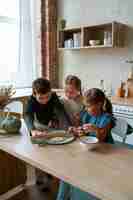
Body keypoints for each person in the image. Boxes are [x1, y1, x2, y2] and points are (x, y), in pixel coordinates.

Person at [56, 88, 115, 200]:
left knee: (78, 172)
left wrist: (96, 129)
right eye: (85, 106)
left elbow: (101, 139)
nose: (86, 109)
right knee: (66, 170)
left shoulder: (107, 118)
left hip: (105, 153)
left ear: (99, 104)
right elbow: (82, 131)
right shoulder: (86, 114)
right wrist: (76, 130)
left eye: (88, 106)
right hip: (89, 150)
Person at [24, 77, 71, 191]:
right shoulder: (31, 100)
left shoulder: (53, 96)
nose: (44, 100)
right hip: (37, 126)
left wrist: (68, 126)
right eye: (41, 98)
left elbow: (61, 112)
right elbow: (27, 115)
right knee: (39, 154)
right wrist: (32, 129)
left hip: (50, 127)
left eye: (47, 97)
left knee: (51, 153)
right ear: (34, 94)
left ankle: (49, 173)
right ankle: (39, 178)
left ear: (50, 92)